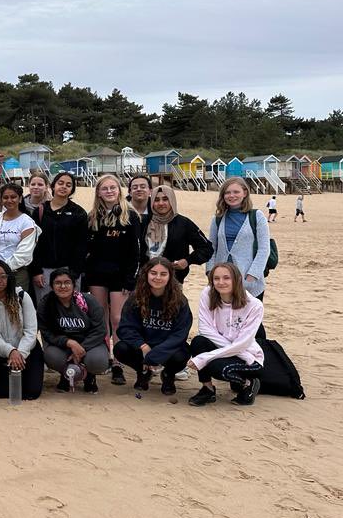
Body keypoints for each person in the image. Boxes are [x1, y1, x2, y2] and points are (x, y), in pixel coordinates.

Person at [83, 174, 145, 385]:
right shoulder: (93, 216)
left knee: (117, 318)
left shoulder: (131, 216)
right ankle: (104, 357)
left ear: (119, 190)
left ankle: (118, 362)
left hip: (121, 276)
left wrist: (131, 279)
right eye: (104, 188)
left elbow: (136, 251)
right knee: (100, 317)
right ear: (98, 192)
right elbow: (88, 250)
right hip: (97, 275)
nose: (109, 191)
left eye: (113, 188)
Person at [187, 263, 264, 407]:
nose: (221, 282)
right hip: (239, 353)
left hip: (250, 357)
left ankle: (249, 383)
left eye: (226, 278)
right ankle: (207, 389)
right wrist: (228, 349)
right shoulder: (208, 294)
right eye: (216, 278)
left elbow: (243, 343)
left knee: (215, 367)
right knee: (198, 341)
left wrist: (205, 357)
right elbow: (205, 329)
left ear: (237, 279)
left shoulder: (254, 305)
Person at [114, 257, 192, 395]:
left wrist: (158, 353)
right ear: (146, 274)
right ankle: (143, 371)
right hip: (144, 346)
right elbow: (125, 328)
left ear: (170, 276)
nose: (158, 277)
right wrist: (143, 346)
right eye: (153, 273)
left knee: (182, 354)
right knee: (120, 349)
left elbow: (180, 333)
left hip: (167, 347)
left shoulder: (179, 300)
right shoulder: (136, 297)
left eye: (163, 274)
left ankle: (168, 375)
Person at [0, 260, 45, 400]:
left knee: (32, 392)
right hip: (2, 353)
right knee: (4, 393)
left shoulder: (22, 297)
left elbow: (31, 331)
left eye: (3, 276)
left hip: (27, 350)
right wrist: (10, 351)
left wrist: (19, 353)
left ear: (9, 277)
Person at [38, 268, 107, 393]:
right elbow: (46, 332)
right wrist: (69, 342)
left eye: (67, 282)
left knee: (98, 361)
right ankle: (65, 375)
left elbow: (100, 330)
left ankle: (89, 376)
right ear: (52, 286)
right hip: (63, 345)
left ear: (74, 285)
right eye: (58, 283)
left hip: (89, 344)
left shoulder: (88, 301)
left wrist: (81, 347)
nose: (63, 286)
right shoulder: (46, 304)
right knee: (50, 355)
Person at [29, 171, 89, 303]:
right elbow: (33, 244)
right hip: (44, 271)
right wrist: (36, 271)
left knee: (70, 309)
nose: (64, 187)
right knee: (45, 309)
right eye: (60, 183)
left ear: (72, 189)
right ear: (53, 186)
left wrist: (74, 273)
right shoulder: (40, 211)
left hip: (69, 271)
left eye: (68, 185)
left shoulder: (79, 213)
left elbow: (82, 245)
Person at [206, 177, 270, 300]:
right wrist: (210, 272)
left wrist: (251, 277)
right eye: (227, 192)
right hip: (222, 282)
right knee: (222, 318)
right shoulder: (218, 218)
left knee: (251, 318)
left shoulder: (257, 216)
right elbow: (211, 248)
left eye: (236, 192)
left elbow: (264, 249)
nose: (232, 196)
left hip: (249, 281)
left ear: (245, 193)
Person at [143, 184, 213, 282]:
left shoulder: (184, 223)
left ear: (172, 200)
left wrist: (187, 261)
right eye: (156, 200)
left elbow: (206, 248)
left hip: (173, 281)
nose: (161, 203)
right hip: (145, 280)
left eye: (165, 199)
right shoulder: (143, 222)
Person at [0, 182, 39, 291]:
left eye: (13, 197)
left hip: (17, 274)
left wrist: (2, 269)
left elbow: (24, 254)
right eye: (5, 197)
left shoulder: (27, 222)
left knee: (16, 305)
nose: (9, 200)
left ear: (20, 198)